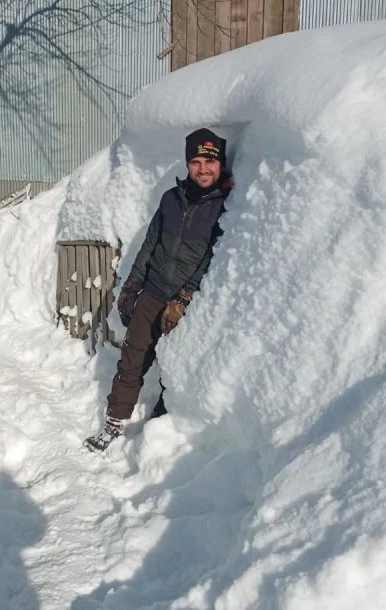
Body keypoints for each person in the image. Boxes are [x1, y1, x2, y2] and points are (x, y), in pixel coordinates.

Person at [84, 128, 233, 452]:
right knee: (131, 360)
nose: (203, 169)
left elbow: (215, 257)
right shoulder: (171, 200)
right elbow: (150, 245)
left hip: (189, 305)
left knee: (177, 367)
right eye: (196, 162)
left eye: (209, 162)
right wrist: (132, 286)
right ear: (187, 164)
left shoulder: (226, 207)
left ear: (220, 163)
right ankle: (113, 424)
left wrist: (185, 297)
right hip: (152, 293)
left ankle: (163, 426)